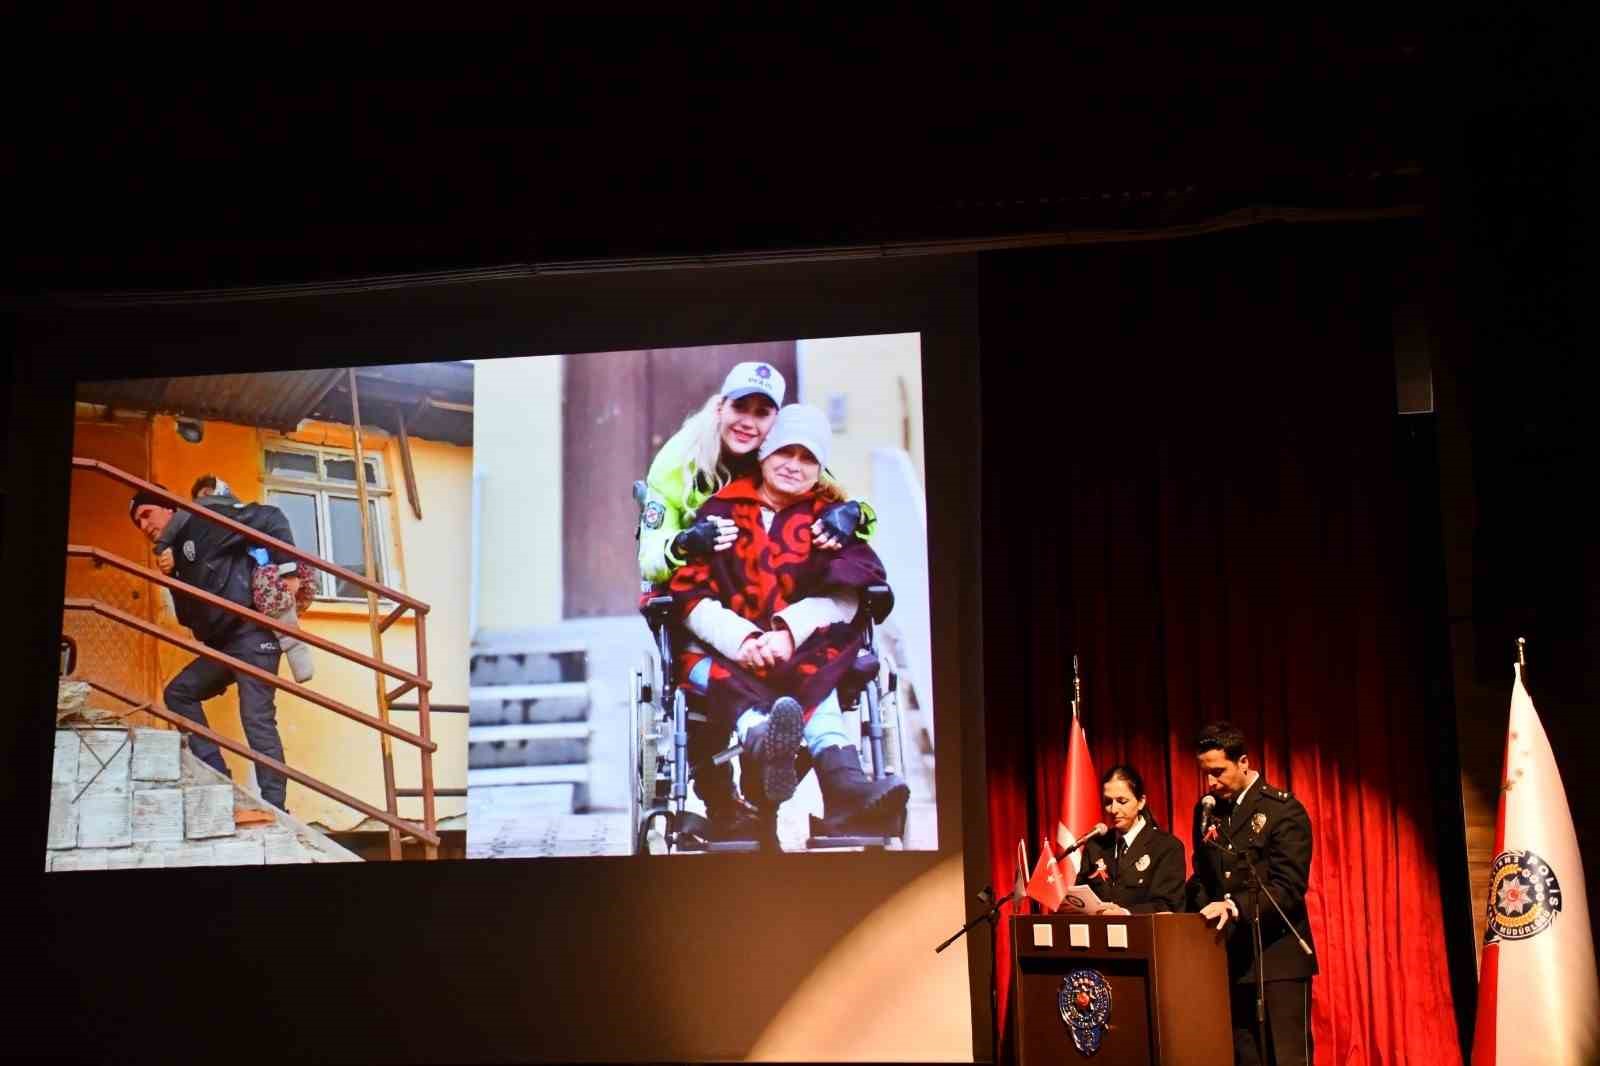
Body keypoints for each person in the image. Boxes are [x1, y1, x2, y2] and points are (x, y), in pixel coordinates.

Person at [636, 362, 873, 836]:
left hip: (777, 613)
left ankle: (784, 783)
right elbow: (651, 561)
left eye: (763, 412)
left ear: (775, 424)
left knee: (807, 662)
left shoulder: (790, 454)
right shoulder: (678, 461)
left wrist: (854, 516)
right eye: (739, 406)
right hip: (696, 591)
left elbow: (847, 508)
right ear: (720, 406)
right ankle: (721, 799)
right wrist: (685, 544)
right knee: (703, 667)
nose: (748, 420)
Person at [666, 403, 909, 834]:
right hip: (725, 650)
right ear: (763, 454)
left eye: (808, 458)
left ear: (821, 468)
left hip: (799, 648)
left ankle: (840, 786)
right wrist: (743, 639)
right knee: (714, 671)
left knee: (817, 669)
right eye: (784, 452)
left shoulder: (829, 520)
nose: (794, 466)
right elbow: (690, 594)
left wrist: (786, 631)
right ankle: (791, 757)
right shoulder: (719, 513)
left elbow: (852, 592)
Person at [131, 485, 297, 811]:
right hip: (223, 645)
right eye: (137, 523)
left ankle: (277, 808)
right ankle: (217, 775)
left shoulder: (204, 520)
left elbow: (269, 517)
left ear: (167, 507)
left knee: (256, 719)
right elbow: (189, 617)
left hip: (252, 634)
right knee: (179, 693)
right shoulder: (173, 555)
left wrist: (289, 570)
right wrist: (175, 575)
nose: (143, 526)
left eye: (146, 514)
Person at [1187, 721, 1317, 1066]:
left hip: (1278, 960)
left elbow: (1288, 887)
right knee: (1245, 1058)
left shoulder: (1282, 810)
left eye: (1218, 772)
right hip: (1230, 959)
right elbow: (1201, 877)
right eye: (1205, 774)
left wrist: (1234, 906)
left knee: (1287, 1058)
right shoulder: (1208, 811)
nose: (1211, 783)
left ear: (1243, 762)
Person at [179, 474, 317, 683]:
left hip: (277, 582)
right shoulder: (207, 533)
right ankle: (291, 641)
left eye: (208, 494)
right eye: (200, 498)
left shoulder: (242, 514)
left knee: (266, 578)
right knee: (263, 581)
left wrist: (288, 571)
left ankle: (293, 644)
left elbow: (273, 520)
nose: (205, 502)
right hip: (261, 593)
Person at [1072, 764, 1186, 914]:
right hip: (1099, 933)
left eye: (1122, 801)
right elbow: (1081, 898)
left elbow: (1167, 904)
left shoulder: (1166, 846)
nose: (1114, 810)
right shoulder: (1096, 845)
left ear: (1141, 801)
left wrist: (1124, 913)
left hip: (1143, 933)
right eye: (1108, 802)